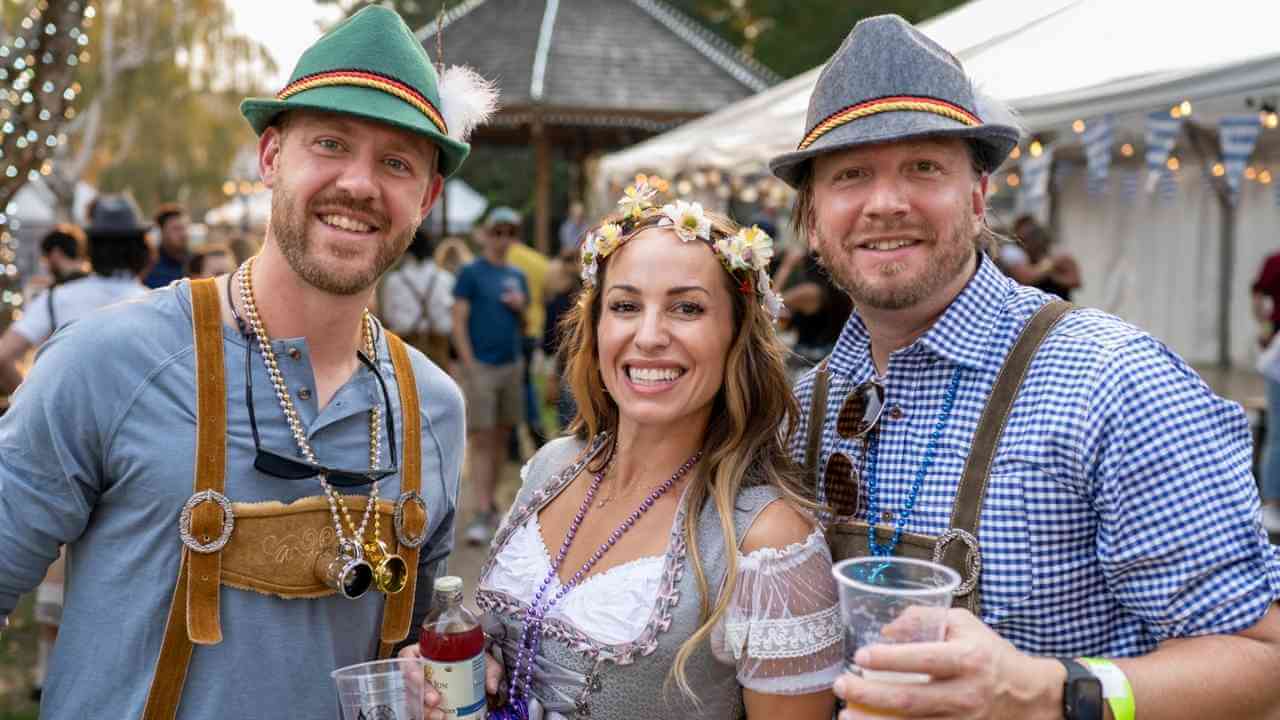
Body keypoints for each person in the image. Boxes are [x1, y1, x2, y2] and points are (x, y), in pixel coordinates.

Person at [768, 14, 1280, 720]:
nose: (886, 203)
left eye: (924, 167)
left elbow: (1264, 659)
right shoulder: (805, 410)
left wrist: (1046, 692)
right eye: (851, 175)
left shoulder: (1112, 381)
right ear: (813, 218)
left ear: (978, 199)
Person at [0, 7, 497, 718]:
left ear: (427, 197)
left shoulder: (433, 407)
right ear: (270, 157)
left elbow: (413, 652)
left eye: (396, 162)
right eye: (330, 144)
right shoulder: (109, 362)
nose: (358, 184)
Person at [476, 178, 841, 719]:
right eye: (625, 306)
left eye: (687, 309)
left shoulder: (768, 542)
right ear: (596, 326)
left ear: (735, 337)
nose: (648, 336)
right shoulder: (552, 466)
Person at [0, 197, 150, 395]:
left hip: (69, 422)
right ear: (141, 248)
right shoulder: (156, 303)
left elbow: (3, 356)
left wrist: (32, 403)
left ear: (90, 247)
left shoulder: (57, 298)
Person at [453, 207, 530, 545]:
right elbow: (458, 321)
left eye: (509, 232)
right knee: (482, 440)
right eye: (497, 231)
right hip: (482, 366)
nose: (502, 239)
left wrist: (521, 307)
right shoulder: (471, 272)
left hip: (510, 364)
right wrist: (470, 365)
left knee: (501, 437)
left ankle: (492, 504)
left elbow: (526, 325)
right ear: (485, 234)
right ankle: (482, 508)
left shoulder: (517, 275)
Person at [502, 207, 552, 449]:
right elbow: (547, 294)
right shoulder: (539, 261)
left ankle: (514, 439)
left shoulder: (502, 259)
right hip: (533, 329)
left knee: (514, 385)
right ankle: (534, 429)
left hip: (511, 332)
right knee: (525, 383)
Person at [381, 223, 455, 370]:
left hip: (405, 344)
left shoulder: (395, 280)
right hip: (438, 344)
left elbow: (388, 316)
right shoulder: (446, 279)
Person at [1253, 250, 1280, 531]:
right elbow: (1259, 297)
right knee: (1277, 431)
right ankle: (1272, 503)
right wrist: (1264, 329)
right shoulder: (1275, 261)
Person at [997, 214, 1082, 301]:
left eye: (1030, 238)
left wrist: (1052, 275)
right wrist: (1044, 269)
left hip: (1060, 305)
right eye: (1023, 239)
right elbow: (1025, 279)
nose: (1027, 244)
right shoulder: (1021, 258)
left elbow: (1075, 282)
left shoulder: (1060, 257)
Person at [143, 202, 191, 288]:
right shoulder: (149, 267)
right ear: (161, 231)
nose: (183, 234)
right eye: (176, 229)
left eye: (185, 227)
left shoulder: (195, 262)